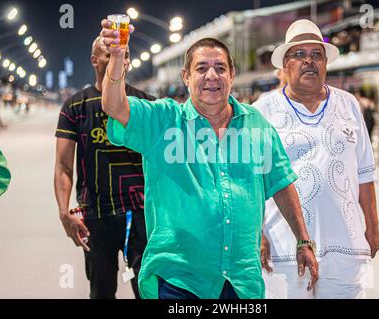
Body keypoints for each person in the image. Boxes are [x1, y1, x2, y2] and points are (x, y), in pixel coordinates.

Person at [99, 18, 318, 299]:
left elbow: (281, 183)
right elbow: (114, 105)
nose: (212, 76)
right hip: (180, 279)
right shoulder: (163, 121)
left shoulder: (257, 125)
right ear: (186, 77)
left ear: (232, 75)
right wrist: (117, 59)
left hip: (241, 281)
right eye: (201, 68)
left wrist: (303, 240)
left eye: (220, 68)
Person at [254, 19, 379, 299]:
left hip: (345, 245)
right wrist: (258, 233)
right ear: (285, 65)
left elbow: (365, 173)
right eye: (299, 54)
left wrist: (373, 227)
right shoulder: (262, 110)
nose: (309, 61)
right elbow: (251, 180)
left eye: (316, 55)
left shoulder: (349, 104)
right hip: (283, 248)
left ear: (325, 62)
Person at [54, 37, 154, 299]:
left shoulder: (146, 104)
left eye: (125, 54)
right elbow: (64, 166)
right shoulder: (75, 106)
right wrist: (65, 213)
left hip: (142, 214)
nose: (119, 59)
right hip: (96, 216)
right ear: (94, 60)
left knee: (149, 290)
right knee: (101, 292)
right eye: (110, 54)